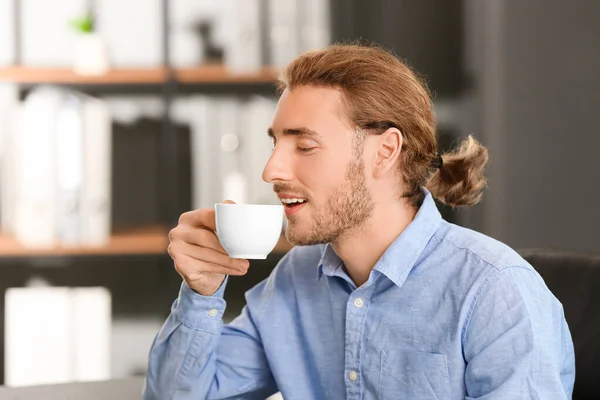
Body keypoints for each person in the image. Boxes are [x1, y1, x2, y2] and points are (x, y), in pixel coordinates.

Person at [143, 44, 575, 399]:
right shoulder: (295, 279)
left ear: (385, 152)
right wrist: (201, 293)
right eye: (276, 143)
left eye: (304, 146)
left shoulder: (495, 290)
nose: (271, 170)